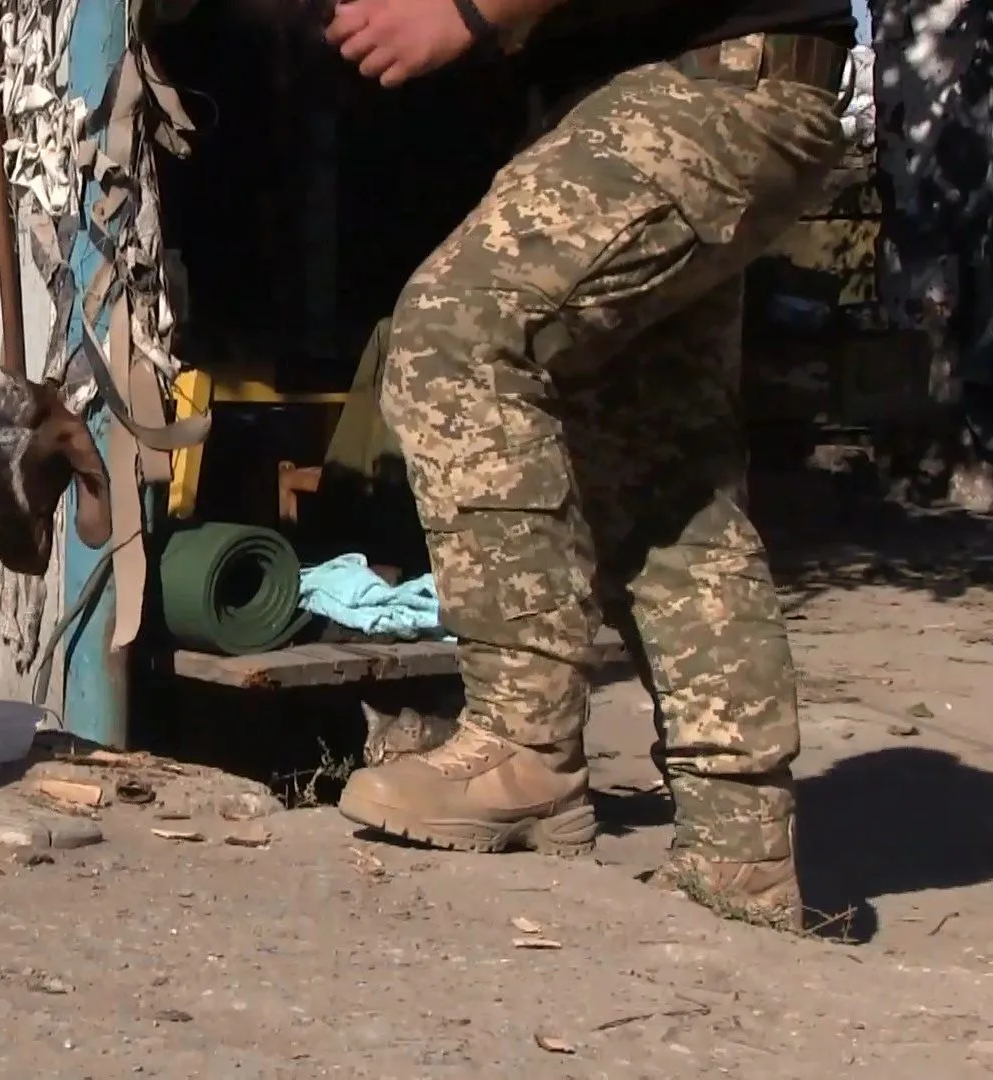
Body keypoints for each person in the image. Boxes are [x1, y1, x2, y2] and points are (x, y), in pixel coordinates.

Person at [326, 0, 854, 930]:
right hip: (708, 80)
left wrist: (466, 11)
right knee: (662, 468)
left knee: (458, 328)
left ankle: (522, 740)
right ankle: (739, 853)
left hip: (712, 80)